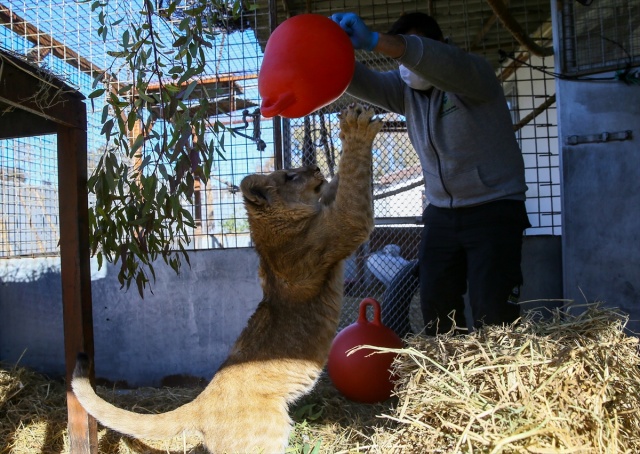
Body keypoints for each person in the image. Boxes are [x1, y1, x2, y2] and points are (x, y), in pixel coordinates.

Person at [331, 12, 531, 335]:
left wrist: (376, 42)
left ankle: (494, 376)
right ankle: (449, 375)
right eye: (401, 59)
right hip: (442, 211)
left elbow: (435, 62)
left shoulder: (472, 74)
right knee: (436, 303)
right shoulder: (405, 90)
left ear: (439, 46)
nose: (408, 67)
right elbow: (364, 82)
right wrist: (332, 48)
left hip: (494, 205)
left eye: (410, 52)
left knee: (493, 312)